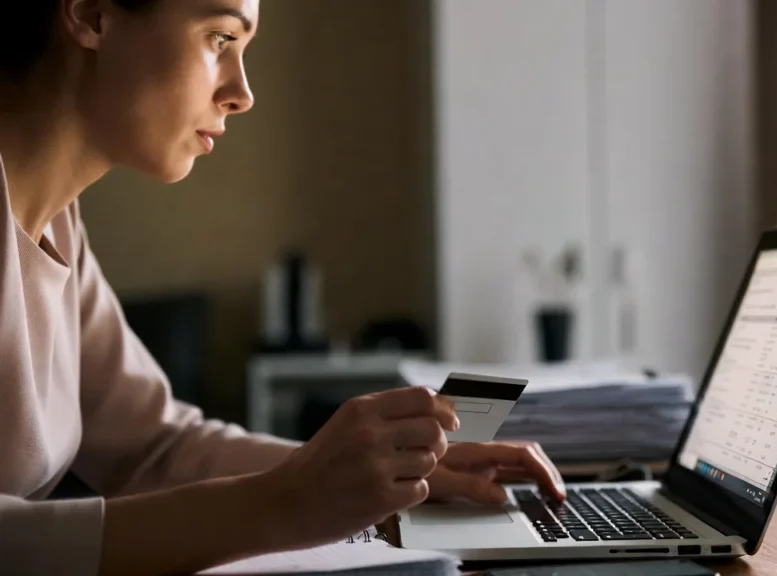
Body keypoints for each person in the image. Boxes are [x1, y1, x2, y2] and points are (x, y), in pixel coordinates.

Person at [0, 1, 567, 575]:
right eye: (220, 38)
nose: (242, 93)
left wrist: (374, 477)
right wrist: (280, 505)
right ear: (93, 15)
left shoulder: (59, 223)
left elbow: (155, 446)